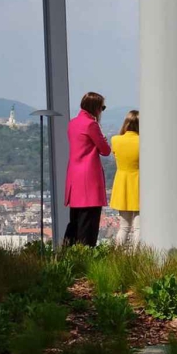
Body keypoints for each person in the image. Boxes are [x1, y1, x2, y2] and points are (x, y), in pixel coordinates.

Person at [63, 92, 110, 247]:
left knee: (75, 222)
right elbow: (105, 150)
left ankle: (69, 255)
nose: (102, 111)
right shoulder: (91, 124)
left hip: (74, 179)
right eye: (102, 107)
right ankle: (85, 259)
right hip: (89, 180)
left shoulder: (72, 123)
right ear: (95, 108)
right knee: (88, 226)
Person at [109, 110, 140, 247]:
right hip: (139, 183)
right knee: (139, 228)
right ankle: (136, 257)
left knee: (124, 227)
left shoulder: (115, 140)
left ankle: (118, 256)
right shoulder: (143, 141)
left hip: (122, 184)